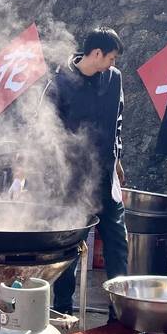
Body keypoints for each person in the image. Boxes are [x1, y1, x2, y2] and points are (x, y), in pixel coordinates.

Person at [45, 27, 128, 317]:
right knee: (69, 244)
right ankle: (63, 310)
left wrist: (117, 158)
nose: (112, 64)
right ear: (96, 54)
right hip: (72, 179)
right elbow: (47, 129)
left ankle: (120, 312)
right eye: (111, 58)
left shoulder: (114, 78)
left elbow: (117, 119)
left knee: (117, 240)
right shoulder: (61, 82)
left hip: (105, 175)